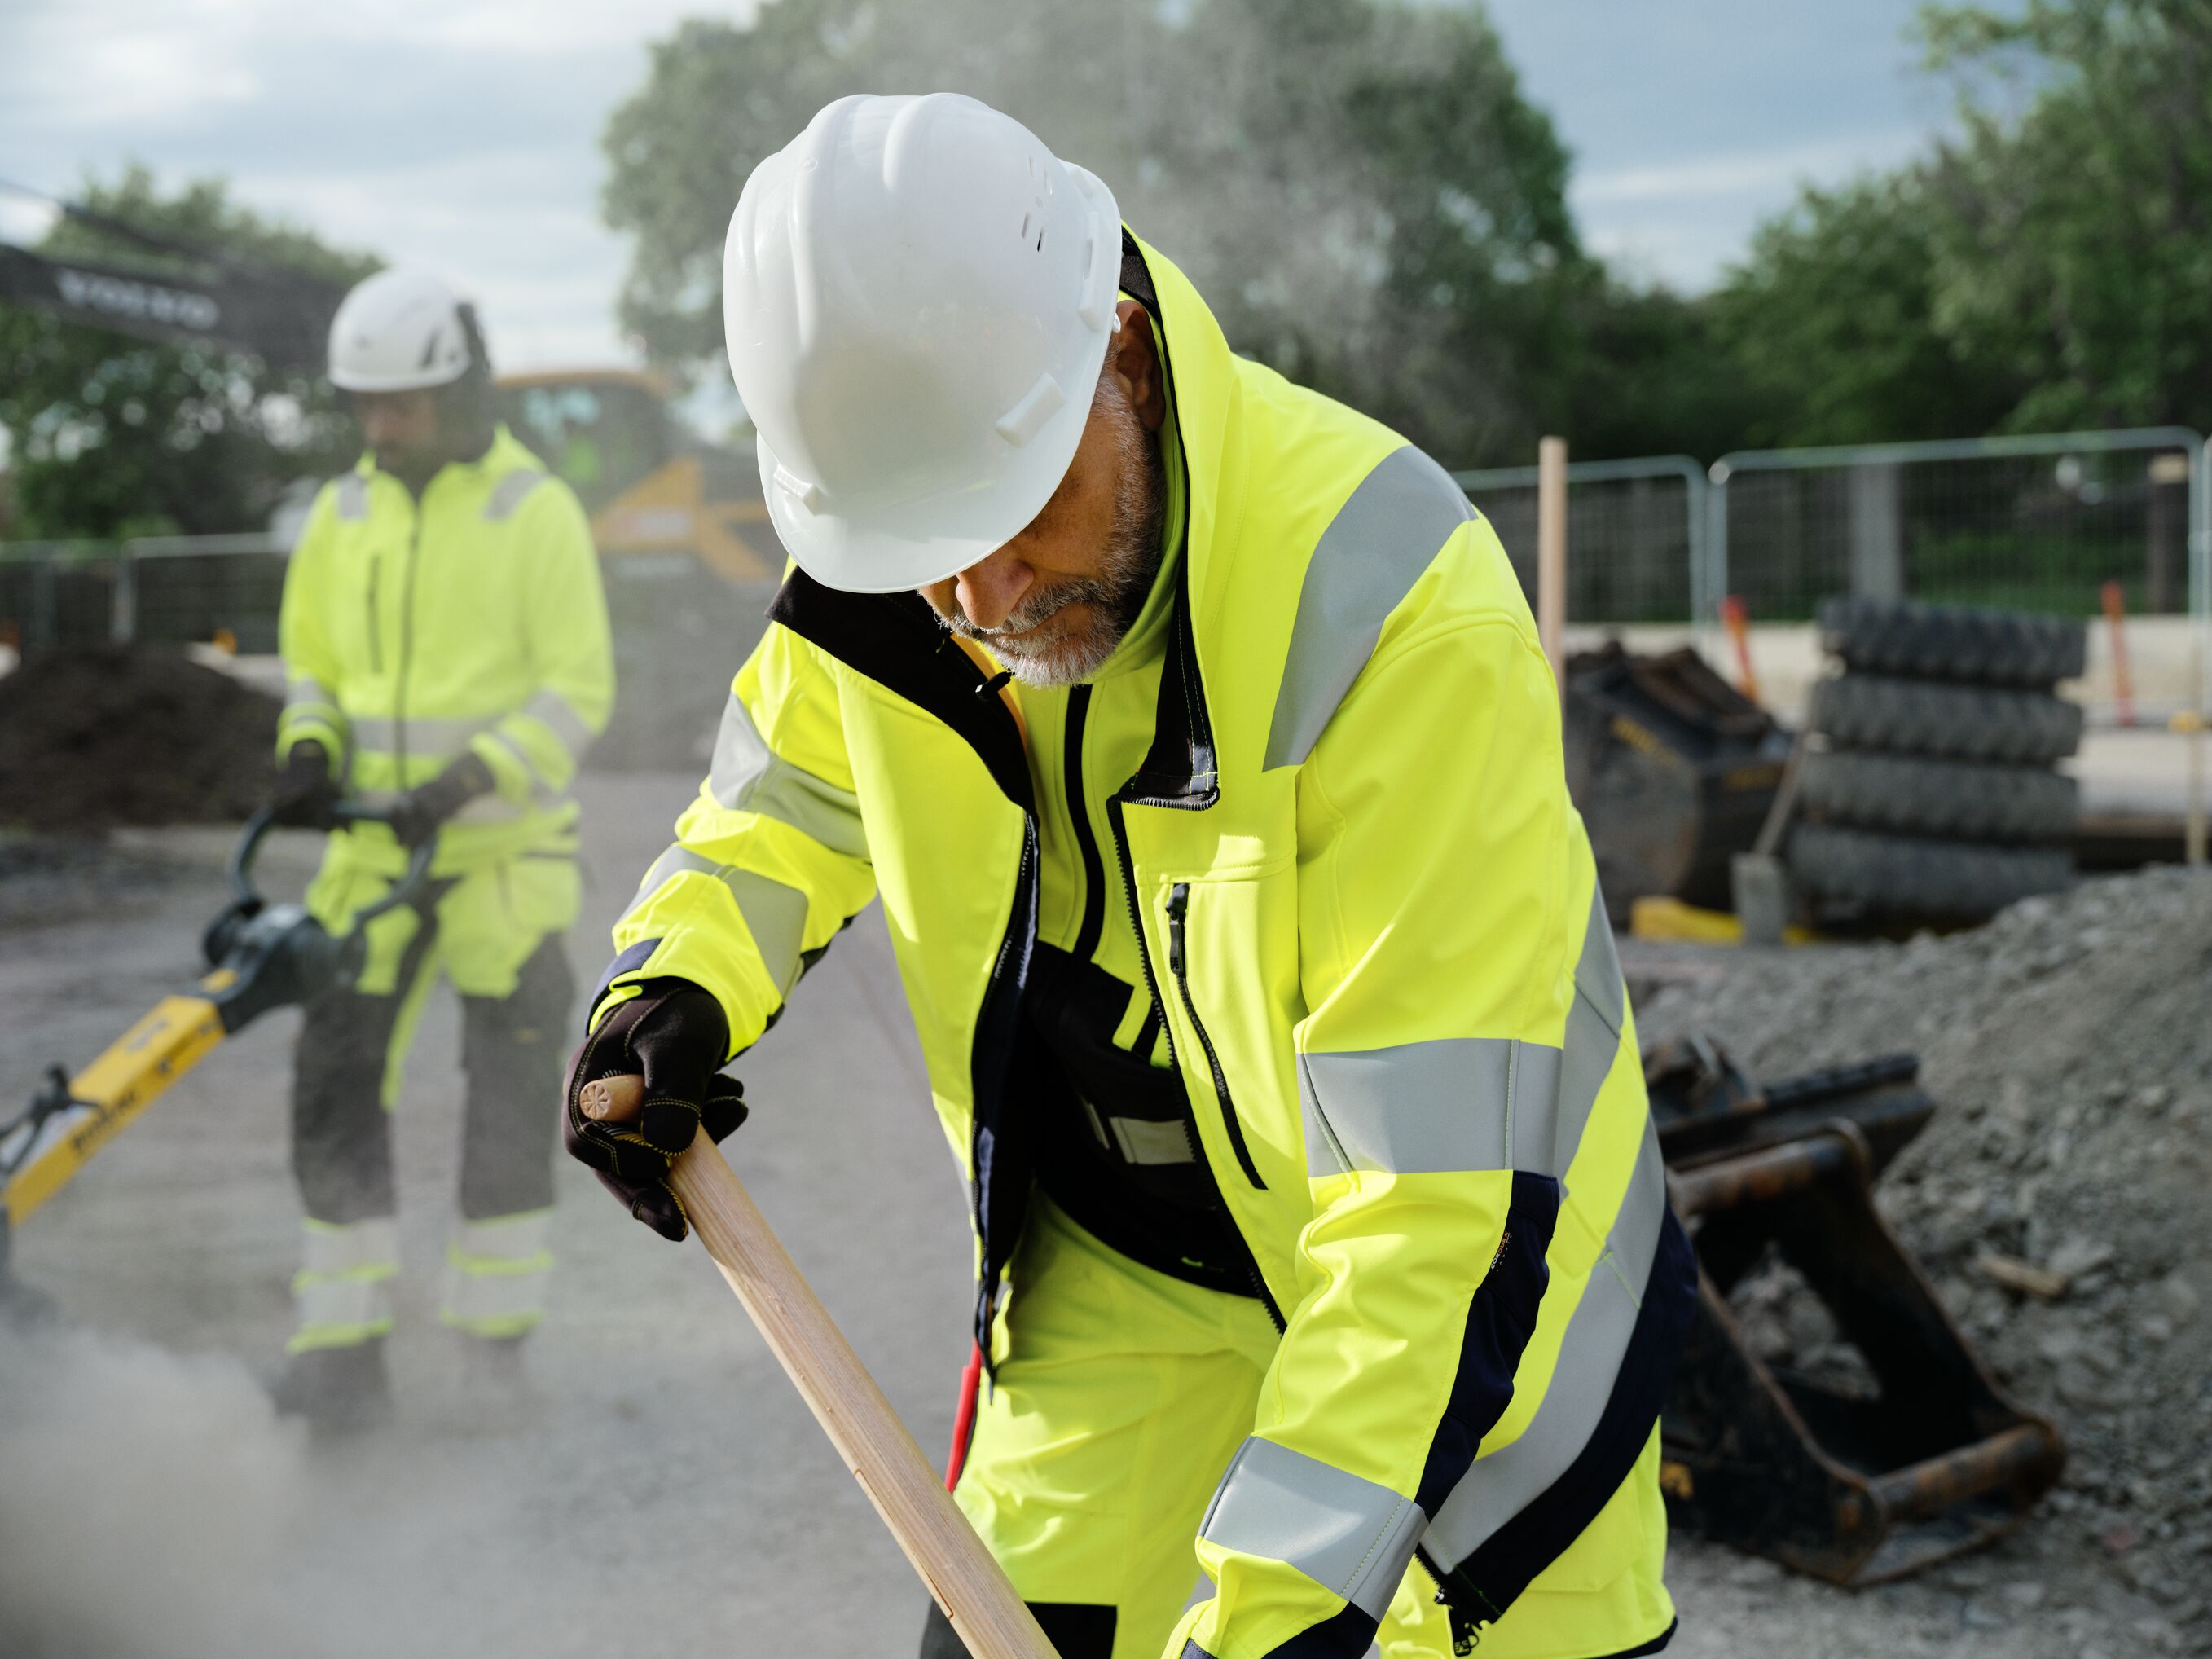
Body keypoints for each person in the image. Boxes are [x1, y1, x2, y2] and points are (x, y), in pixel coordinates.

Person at [565, 94, 1691, 1659]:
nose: (981, 593)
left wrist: (1275, 1619)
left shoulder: (1389, 612)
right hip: (1122, 1284)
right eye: (927, 547)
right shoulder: (909, 579)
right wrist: (675, 980)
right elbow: (782, 804)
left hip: (1472, 1342)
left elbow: (1434, 1213)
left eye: (1014, 512)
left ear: (1123, 354)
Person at [269, 267, 614, 1429]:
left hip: (499, 863)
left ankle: (491, 1351)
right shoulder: (342, 514)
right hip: (368, 864)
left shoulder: (536, 514)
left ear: (458, 392)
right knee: (332, 1089)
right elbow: (313, 664)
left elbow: (578, 694)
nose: (381, 426)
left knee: (510, 1103)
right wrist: (309, 747)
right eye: (365, 405)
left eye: (402, 404)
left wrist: (472, 778)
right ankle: (342, 1344)